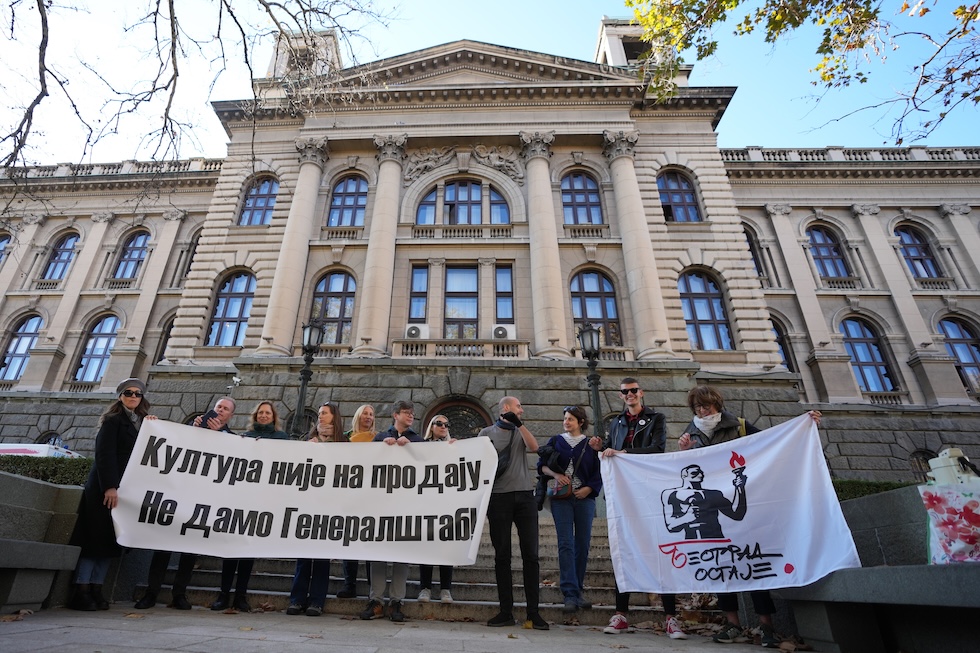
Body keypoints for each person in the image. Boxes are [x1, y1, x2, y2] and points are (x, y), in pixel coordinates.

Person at [677, 384, 821, 648]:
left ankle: (766, 626)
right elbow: (686, 470)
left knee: (754, 564)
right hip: (715, 511)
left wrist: (804, 424)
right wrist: (684, 451)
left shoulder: (739, 425)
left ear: (717, 404)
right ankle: (732, 623)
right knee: (722, 566)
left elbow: (773, 442)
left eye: (705, 405)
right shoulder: (691, 432)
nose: (701, 410)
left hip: (744, 504)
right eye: (697, 407)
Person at [589, 377, 687, 639]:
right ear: (621, 396)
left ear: (641, 393)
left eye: (633, 390)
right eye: (625, 392)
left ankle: (670, 617)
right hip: (625, 494)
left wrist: (622, 454)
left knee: (661, 550)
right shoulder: (617, 422)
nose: (630, 394)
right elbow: (612, 450)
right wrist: (602, 448)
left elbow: (657, 448)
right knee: (625, 550)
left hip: (650, 491)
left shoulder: (657, 418)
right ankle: (620, 614)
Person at [71, 378, 156, 611]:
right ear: (120, 396)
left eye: (138, 394)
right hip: (104, 490)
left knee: (110, 543)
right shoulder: (113, 420)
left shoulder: (138, 423)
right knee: (94, 542)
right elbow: (105, 455)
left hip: (121, 492)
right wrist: (110, 486)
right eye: (128, 392)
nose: (133, 396)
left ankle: (97, 590)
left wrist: (153, 426)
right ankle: (82, 591)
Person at [481, 396, 549, 631]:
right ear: (506, 408)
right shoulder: (486, 432)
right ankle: (505, 611)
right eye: (519, 406)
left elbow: (534, 448)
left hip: (524, 497)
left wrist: (519, 425)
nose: (522, 409)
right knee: (502, 556)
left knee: (531, 555)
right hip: (498, 497)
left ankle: (533, 612)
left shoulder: (521, 430)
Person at [359, 400, 423, 623]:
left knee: (400, 556)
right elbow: (368, 466)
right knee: (378, 554)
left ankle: (397, 601)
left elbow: (429, 464)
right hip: (381, 505)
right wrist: (380, 448)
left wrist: (413, 448)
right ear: (395, 415)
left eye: (412, 413)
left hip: (406, 506)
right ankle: (376, 600)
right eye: (407, 412)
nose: (411, 416)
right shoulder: (379, 438)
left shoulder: (417, 439)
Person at [539, 405, 601, 615]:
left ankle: (578, 590)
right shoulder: (555, 441)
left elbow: (599, 471)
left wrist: (589, 488)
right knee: (566, 544)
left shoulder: (591, 443)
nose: (566, 422)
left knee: (582, 545)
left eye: (571, 419)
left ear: (580, 422)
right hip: (561, 498)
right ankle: (569, 594)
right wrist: (556, 476)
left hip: (585, 499)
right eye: (565, 419)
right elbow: (542, 465)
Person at [287, 402, 343, 616]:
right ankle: (296, 600)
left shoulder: (343, 443)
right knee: (303, 556)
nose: (320, 417)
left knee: (321, 557)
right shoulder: (307, 440)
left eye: (324, 414)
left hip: (329, 506)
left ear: (333, 417)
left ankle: (316, 601)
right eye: (319, 414)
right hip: (307, 505)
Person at [417, 414, 456, 604]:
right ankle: (425, 588)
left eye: (446, 424)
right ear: (431, 426)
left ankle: (445, 589)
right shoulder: (421, 446)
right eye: (439, 423)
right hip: (426, 502)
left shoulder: (454, 447)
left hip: (447, 503)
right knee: (426, 547)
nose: (443, 426)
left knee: (445, 547)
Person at [338, 403, 376, 598]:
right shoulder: (345, 438)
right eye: (365, 414)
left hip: (371, 496)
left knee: (369, 541)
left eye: (371, 414)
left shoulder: (378, 439)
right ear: (358, 416)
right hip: (349, 494)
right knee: (349, 540)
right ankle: (349, 584)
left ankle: (372, 586)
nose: (368, 417)